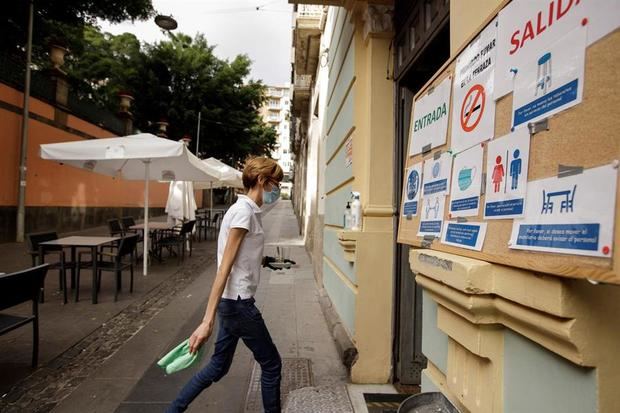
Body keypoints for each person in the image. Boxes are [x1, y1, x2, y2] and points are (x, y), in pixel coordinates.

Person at [166, 157, 284, 413]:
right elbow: (224, 268)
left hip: (233, 304)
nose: (278, 190)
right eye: (276, 183)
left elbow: (239, 255)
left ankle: (173, 410)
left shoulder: (245, 210)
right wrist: (206, 321)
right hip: (239, 305)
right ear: (263, 181)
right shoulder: (244, 213)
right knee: (272, 365)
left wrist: (265, 261)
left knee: (218, 366)